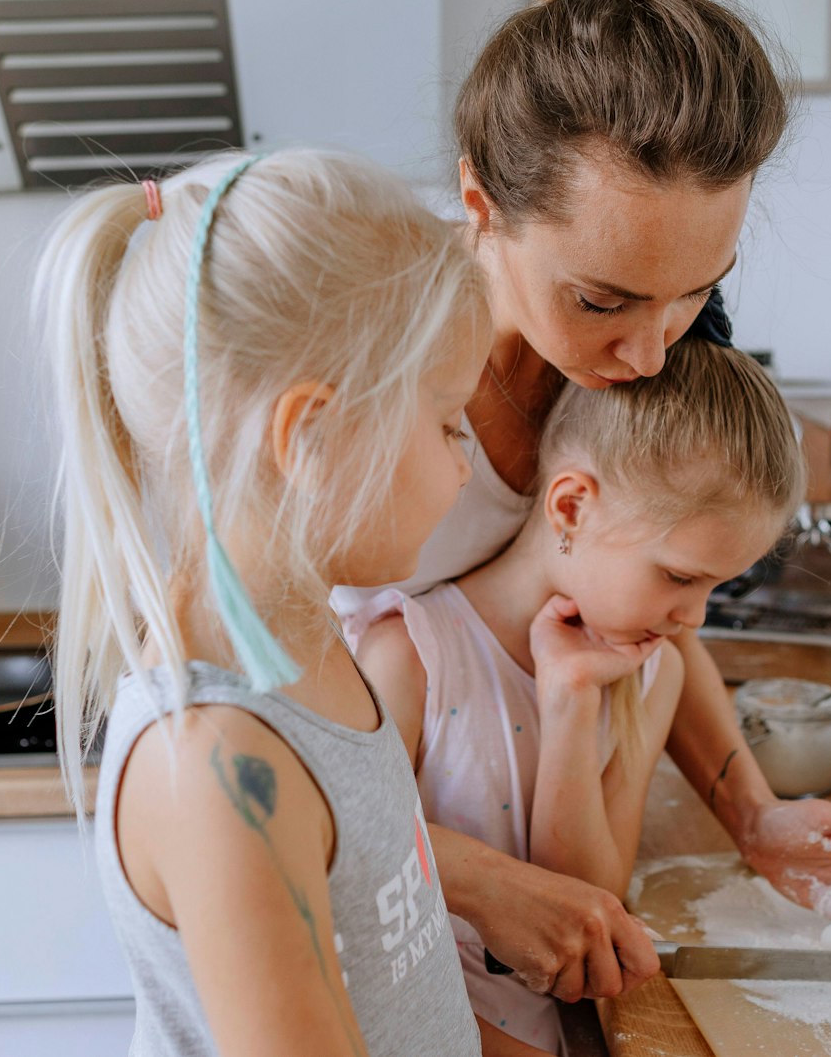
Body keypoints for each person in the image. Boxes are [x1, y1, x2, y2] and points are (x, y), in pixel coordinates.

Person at [337, 0, 831, 978]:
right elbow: (251, 742)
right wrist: (474, 880)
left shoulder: (657, 335)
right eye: (602, 300)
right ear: (479, 204)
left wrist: (753, 814)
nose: (648, 353)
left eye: (696, 289)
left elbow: (652, 611)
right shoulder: (359, 368)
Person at [42, 149, 540, 1056]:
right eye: (445, 424)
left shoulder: (310, 641)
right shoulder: (218, 768)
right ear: (310, 436)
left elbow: (406, 999)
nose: (466, 464)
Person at [358, 339, 806, 1052]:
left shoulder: (652, 674)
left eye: (715, 588)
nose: (694, 619)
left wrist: (569, 702)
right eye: (680, 577)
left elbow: (587, 905)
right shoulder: (411, 658)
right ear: (571, 506)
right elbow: (363, 887)